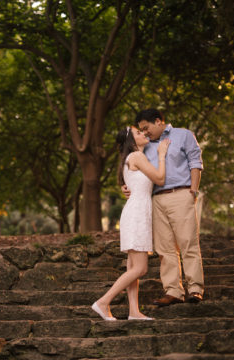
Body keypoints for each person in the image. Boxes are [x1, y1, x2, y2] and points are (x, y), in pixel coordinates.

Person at [125, 108, 204, 307]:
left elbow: (195, 162)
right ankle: (173, 291)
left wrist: (193, 191)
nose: (145, 133)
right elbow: (137, 172)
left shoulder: (183, 135)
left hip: (181, 194)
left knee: (188, 243)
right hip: (156, 200)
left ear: (159, 121)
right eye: (141, 130)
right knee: (164, 248)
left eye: (146, 128)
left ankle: (195, 289)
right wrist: (128, 187)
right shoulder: (144, 147)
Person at [92, 126, 170, 321]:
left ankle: (134, 312)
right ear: (132, 141)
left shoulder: (131, 158)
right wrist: (161, 155)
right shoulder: (136, 157)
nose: (143, 133)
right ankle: (103, 302)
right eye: (138, 133)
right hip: (136, 215)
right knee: (140, 269)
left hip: (135, 213)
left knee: (132, 268)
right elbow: (160, 179)